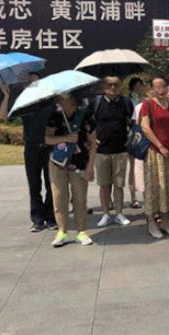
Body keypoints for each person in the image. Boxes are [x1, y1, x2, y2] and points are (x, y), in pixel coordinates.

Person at [0, 72, 56, 232]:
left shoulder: (50, 102)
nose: (32, 85)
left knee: (51, 184)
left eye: (35, 82)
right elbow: (3, 116)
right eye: (29, 82)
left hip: (50, 147)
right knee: (34, 185)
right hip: (31, 147)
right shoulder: (23, 102)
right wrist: (6, 96)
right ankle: (37, 219)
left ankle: (51, 217)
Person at [45, 94, 97, 247]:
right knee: (59, 197)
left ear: (73, 98)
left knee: (80, 198)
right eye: (59, 98)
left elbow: (93, 143)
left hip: (79, 162)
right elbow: (47, 139)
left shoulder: (85, 115)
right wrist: (66, 138)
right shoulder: (55, 116)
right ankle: (62, 232)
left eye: (63, 97)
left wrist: (90, 166)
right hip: (58, 163)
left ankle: (82, 232)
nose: (60, 100)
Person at [140, 75, 169, 238]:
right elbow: (145, 128)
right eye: (157, 87)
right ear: (151, 89)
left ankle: (165, 221)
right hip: (154, 152)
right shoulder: (148, 105)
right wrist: (160, 146)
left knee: (168, 188)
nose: (161, 89)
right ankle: (151, 223)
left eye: (163, 85)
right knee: (154, 188)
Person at [91, 76, 133, 228]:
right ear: (103, 87)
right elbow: (88, 124)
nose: (113, 87)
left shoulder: (126, 102)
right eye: (109, 84)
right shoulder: (96, 103)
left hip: (120, 150)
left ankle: (119, 213)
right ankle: (105, 214)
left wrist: (130, 139)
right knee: (104, 184)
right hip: (101, 151)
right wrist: (92, 140)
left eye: (116, 84)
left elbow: (133, 122)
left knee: (119, 184)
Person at [127, 77, 145, 209]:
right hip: (133, 136)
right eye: (136, 86)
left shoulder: (146, 100)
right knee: (133, 167)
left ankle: (147, 195)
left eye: (141, 86)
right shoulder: (128, 101)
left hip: (145, 136)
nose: (139, 89)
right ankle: (133, 197)